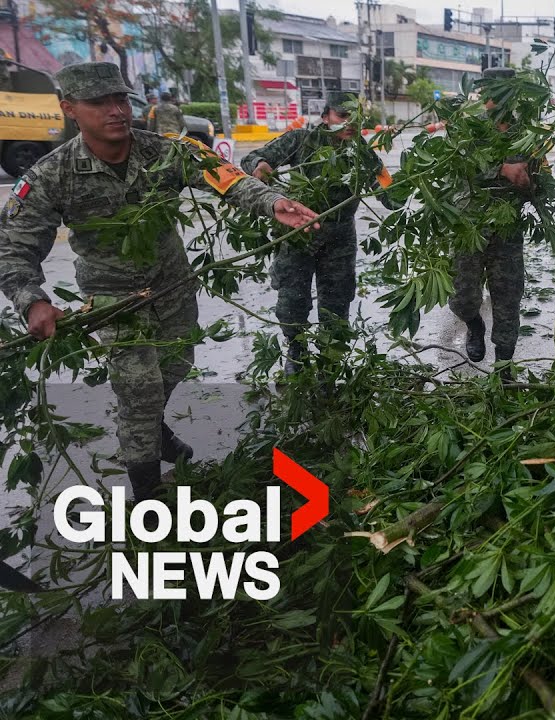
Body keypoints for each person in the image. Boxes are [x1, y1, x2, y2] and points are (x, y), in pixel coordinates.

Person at [0, 62, 320, 500]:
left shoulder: (165, 151)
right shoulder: (51, 175)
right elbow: (14, 248)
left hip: (172, 288)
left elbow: (224, 176)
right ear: (70, 108)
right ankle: (148, 492)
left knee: (173, 369)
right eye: (99, 103)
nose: (115, 111)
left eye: (120, 100)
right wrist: (31, 300)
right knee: (141, 391)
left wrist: (272, 203)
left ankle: (157, 433)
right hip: (114, 302)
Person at [242, 98, 398, 376]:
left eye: (356, 117)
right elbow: (251, 158)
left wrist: (409, 181)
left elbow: (388, 193)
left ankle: (331, 360)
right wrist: (261, 165)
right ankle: (296, 350)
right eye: (342, 115)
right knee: (291, 301)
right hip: (298, 233)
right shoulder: (302, 140)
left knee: (337, 304)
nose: (350, 123)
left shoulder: (363, 153)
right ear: (326, 116)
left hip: (340, 238)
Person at [448, 67, 547, 368]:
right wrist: (501, 170)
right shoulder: (468, 129)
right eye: (495, 92)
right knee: (463, 295)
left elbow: (541, 179)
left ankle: (504, 366)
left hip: (508, 229)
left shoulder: (527, 134)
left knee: (508, 298)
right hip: (470, 225)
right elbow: (457, 164)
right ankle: (474, 324)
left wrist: (532, 183)